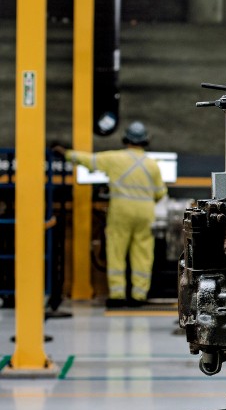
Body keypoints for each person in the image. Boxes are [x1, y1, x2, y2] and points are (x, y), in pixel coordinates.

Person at [53, 121, 167, 308]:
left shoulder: (114, 158)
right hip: (145, 212)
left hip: (121, 210)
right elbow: (160, 193)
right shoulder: (152, 165)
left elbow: (88, 160)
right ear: (145, 140)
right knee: (143, 253)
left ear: (125, 139)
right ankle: (138, 296)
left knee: (116, 251)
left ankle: (117, 295)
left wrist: (66, 154)